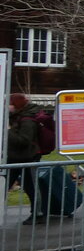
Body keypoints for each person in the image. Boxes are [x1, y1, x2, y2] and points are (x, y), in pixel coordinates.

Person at [7, 92, 46, 224]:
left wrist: (7, 131)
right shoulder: (17, 116)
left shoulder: (28, 120)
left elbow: (24, 141)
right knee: (5, 184)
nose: (7, 107)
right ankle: (37, 214)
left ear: (16, 105)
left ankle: (38, 214)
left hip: (27, 157)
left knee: (31, 187)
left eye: (10, 104)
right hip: (15, 158)